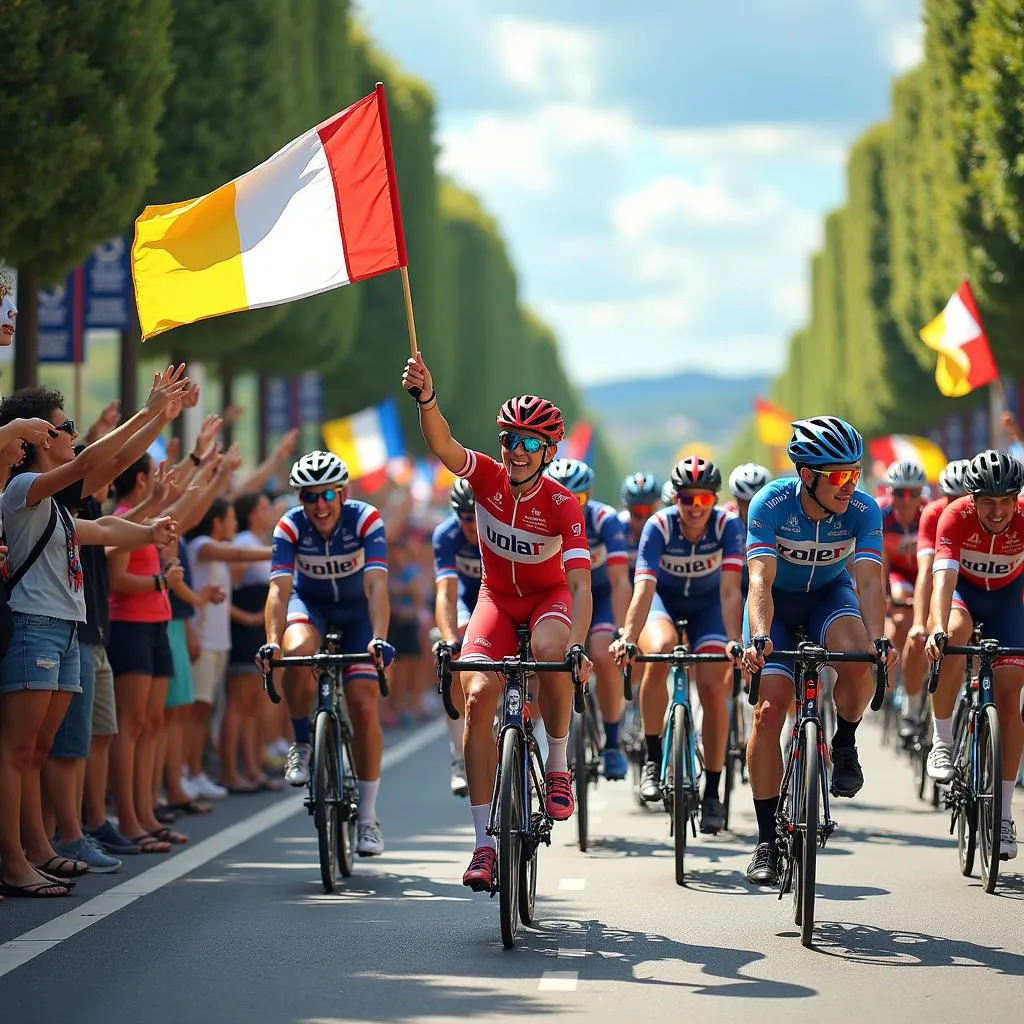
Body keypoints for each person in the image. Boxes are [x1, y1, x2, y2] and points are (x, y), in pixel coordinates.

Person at [402, 352, 593, 892]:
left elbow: (579, 586)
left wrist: (578, 644)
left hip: (547, 597)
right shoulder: (485, 475)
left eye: (530, 443)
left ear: (549, 452)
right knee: (478, 695)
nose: (516, 450)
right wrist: (426, 398)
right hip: (496, 599)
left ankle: (557, 762)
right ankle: (484, 845)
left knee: (555, 653)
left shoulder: (562, 505)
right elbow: (442, 445)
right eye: (510, 439)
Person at [0, 372, 186, 895]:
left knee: (36, 752)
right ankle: (13, 860)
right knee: (17, 751)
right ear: (38, 438)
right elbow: (91, 463)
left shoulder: (53, 505)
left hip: (63, 631)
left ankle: (38, 850)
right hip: (36, 627)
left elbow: (101, 530)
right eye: (66, 427)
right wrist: (148, 413)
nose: (73, 436)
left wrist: (149, 530)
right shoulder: (23, 490)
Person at [740, 415, 897, 886]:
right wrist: (760, 638)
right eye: (839, 476)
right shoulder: (770, 504)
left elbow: (869, 581)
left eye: (855, 473)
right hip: (779, 611)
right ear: (807, 476)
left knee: (857, 658)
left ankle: (845, 743)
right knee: (769, 714)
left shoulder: (864, 509)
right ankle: (766, 840)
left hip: (831, 597)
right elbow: (759, 581)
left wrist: (878, 639)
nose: (851, 484)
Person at [257, 451, 392, 857]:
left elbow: (377, 588)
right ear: (300, 499)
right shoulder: (289, 526)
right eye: (309, 496)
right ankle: (302, 741)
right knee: (297, 652)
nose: (319, 505)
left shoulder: (365, 520)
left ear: (343, 493)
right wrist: (272, 641)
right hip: (309, 606)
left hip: (358, 615)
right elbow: (279, 591)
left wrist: (379, 637)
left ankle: (367, 818)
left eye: (327, 495)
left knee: (364, 705)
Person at [610, 456, 744, 834]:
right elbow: (643, 588)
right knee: (660, 648)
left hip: (710, 609)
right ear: (676, 500)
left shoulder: (728, 526)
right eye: (688, 500)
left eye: (704, 500)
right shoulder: (659, 526)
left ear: (715, 500)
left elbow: (732, 591)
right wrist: (628, 637)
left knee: (712, 689)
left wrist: (734, 640)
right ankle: (653, 760)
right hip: (662, 603)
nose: (696, 508)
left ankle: (714, 792)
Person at [924, 450, 1024, 859]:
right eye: (988, 501)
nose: (998, 511)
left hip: (1007, 602)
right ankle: (942, 740)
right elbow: (943, 581)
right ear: (973, 499)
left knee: (1008, 696)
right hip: (964, 595)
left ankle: (1003, 815)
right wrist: (935, 629)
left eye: (1006, 501)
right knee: (954, 633)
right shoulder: (954, 516)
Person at [547, 458, 631, 779]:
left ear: (589, 495)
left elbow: (621, 581)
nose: (568, 504)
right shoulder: (539, 518)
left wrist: (621, 631)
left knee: (602, 654)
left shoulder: (605, 520)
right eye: (560, 495)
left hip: (603, 596)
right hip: (563, 598)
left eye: (577, 499)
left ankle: (611, 742)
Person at [903, 458, 970, 738]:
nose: (955, 504)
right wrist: (920, 622)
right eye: (949, 498)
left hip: (976, 587)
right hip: (944, 584)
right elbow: (926, 573)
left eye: (962, 498)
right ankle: (916, 707)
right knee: (924, 636)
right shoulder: (934, 514)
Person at [431, 477, 482, 797]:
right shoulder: (446, 535)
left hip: (502, 599)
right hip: (466, 601)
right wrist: (450, 637)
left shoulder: (503, 527)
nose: (473, 524)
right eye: (465, 517)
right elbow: (446, 595)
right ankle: (458, 757)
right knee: (452, 661)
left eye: (478, 515)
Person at [618, 472, 662, 582]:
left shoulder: (665, 528)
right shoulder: (617, 527)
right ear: (628, 510)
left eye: (648, 513)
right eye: (637, 513)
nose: (643, 521)